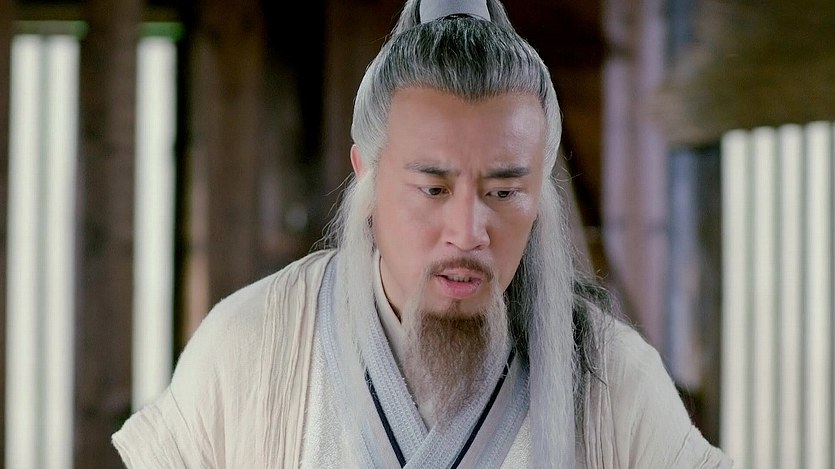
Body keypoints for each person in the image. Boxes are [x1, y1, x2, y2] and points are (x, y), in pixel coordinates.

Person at [112, 0, 732, 467]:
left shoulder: (615, 377)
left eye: (504, 192)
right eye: (433, 189)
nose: (467, 232)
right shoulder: (249, 344)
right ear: (367, 174)